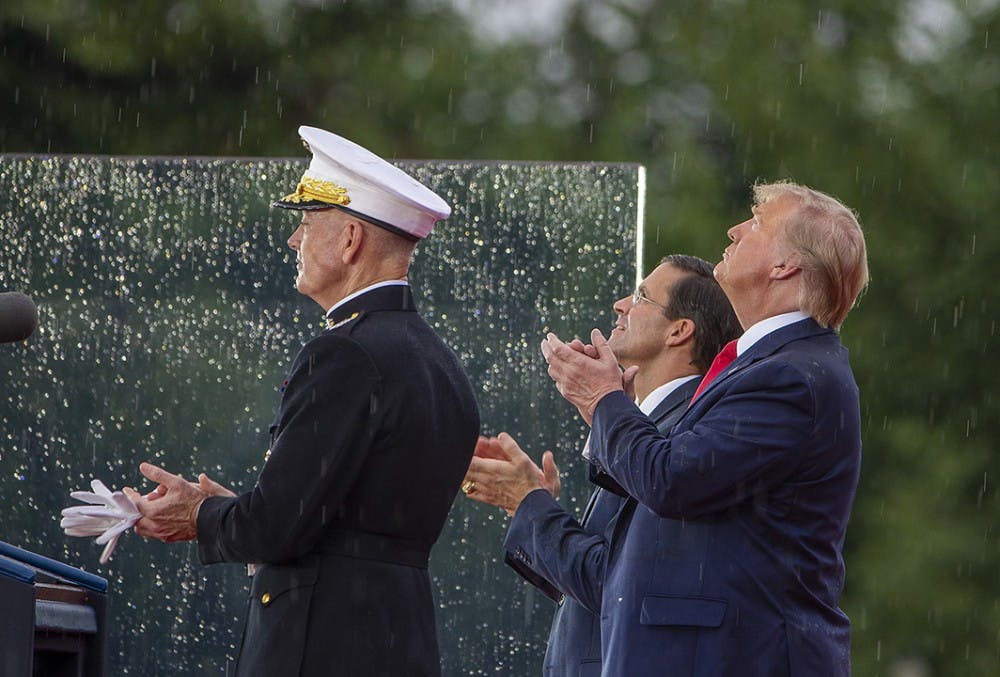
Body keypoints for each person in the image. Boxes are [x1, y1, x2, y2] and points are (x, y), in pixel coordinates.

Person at [124, 126, 480, 677]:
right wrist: (241, 509)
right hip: (397, 639)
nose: (294, 240)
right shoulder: (441, 362)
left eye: (308, 223)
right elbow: (347, 521)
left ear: (350, 240)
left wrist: (200, 514)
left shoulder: (344, 355)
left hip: (322, 645)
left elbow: (280, 528)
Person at [540, 181, 869, 676]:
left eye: (757, 224)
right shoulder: (767, 365)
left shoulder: (790, 375)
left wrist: (602, 398)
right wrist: (610, 408)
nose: (735, 230)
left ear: (785, 267)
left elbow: (672, 481)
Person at [463, 255, 740, 676]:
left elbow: (611, 583)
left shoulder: (677, 436)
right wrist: (529, 502)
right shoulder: (650, 426)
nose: (620, 304)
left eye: (642, 296)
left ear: (680, 331)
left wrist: (530, 504)